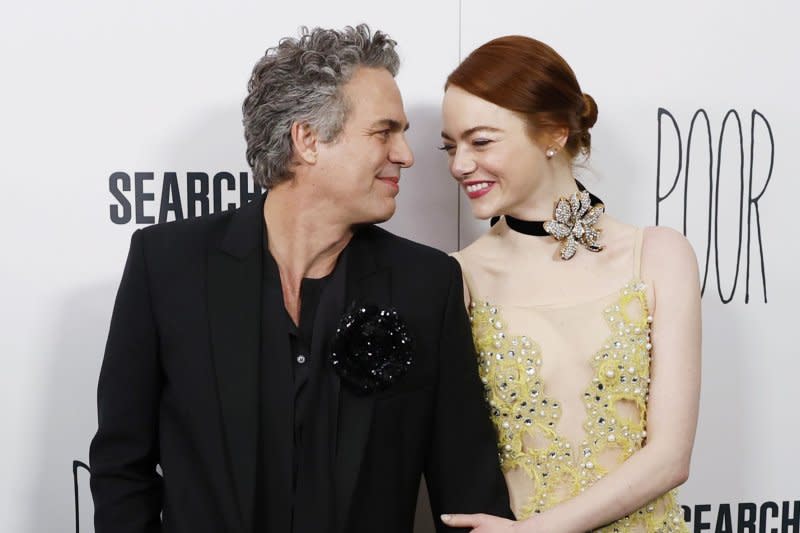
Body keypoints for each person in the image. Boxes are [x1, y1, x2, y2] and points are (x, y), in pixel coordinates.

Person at [89, 24, 511, 533]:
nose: (406, 154)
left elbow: (467, 493)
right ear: (308, 140)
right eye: (384, 132)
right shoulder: (168, 265)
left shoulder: (428, 284)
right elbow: (121, 468)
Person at [438, 36, 701, 533]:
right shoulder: (458, 277)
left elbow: (671, 457)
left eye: (481, 141)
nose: (459, 164)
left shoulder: (659, 256)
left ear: (554, 133)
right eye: (451, 146)